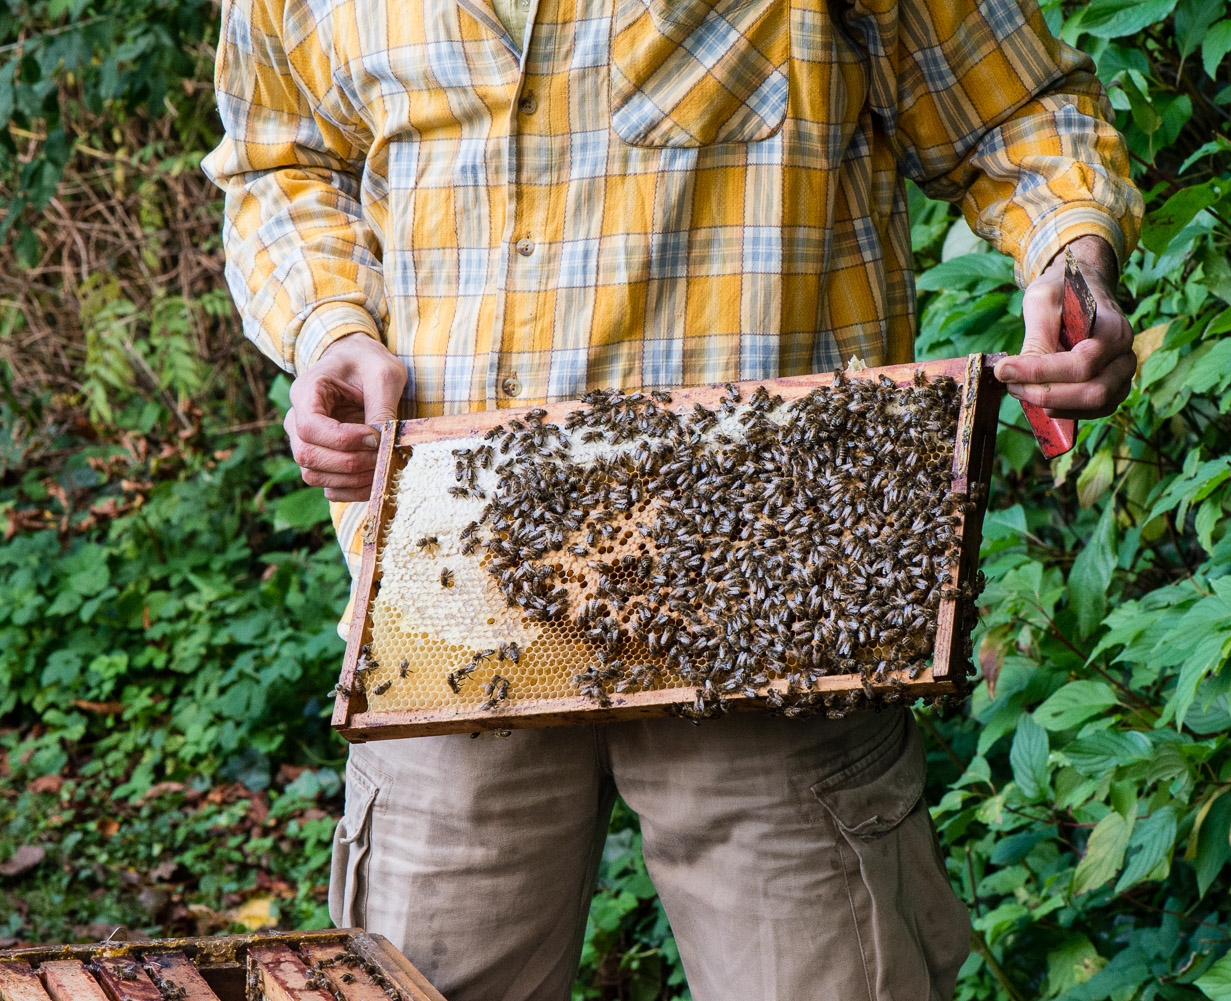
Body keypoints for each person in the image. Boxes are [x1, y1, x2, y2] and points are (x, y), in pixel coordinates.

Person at [202, 0, 1142, 995]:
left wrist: (1072, 263)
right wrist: (328, 323)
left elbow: (1021, 117)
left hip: (773, 588)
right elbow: (280, 161)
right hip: (451, 601)